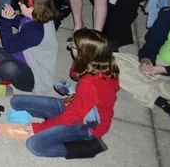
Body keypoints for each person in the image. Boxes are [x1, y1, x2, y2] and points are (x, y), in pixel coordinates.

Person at [9, 29, 118, 159]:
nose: (70, 47)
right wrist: (79, 61)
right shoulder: (105, 65)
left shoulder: (89, 84)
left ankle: (89, 147)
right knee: (16, 102)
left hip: (85, 125)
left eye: (72, 46)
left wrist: (40, 127)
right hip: (72, 105)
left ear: (84, 54)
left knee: (35, 145)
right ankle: (55, 124)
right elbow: (75, 75)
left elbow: (71, 117)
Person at [114, 0, 170, 121]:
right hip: (159, 63)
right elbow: (152, 43)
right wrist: (146, 60)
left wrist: (167, 70)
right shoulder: (169, 15)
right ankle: (160, 100)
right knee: (108, 61)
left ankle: (146, 86)